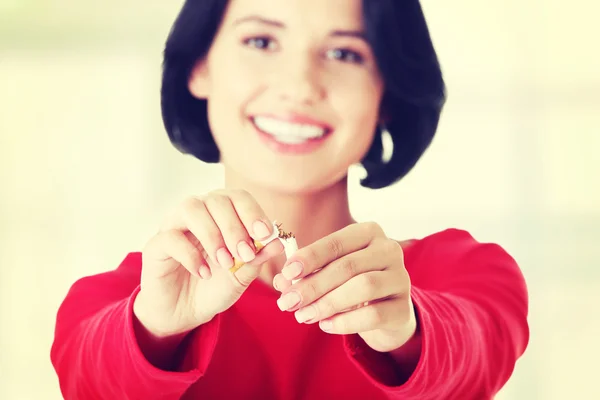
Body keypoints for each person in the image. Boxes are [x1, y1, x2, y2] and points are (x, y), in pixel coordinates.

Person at [50, 0, 530, 398]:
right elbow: (89, 379)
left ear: (386, 95)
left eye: (345, 53)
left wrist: (405, 331)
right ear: (199, 65)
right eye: (261, 42)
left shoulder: (468, 276)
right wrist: (154, 332)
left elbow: (469, 358)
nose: (300, 86)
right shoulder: (118, 304)